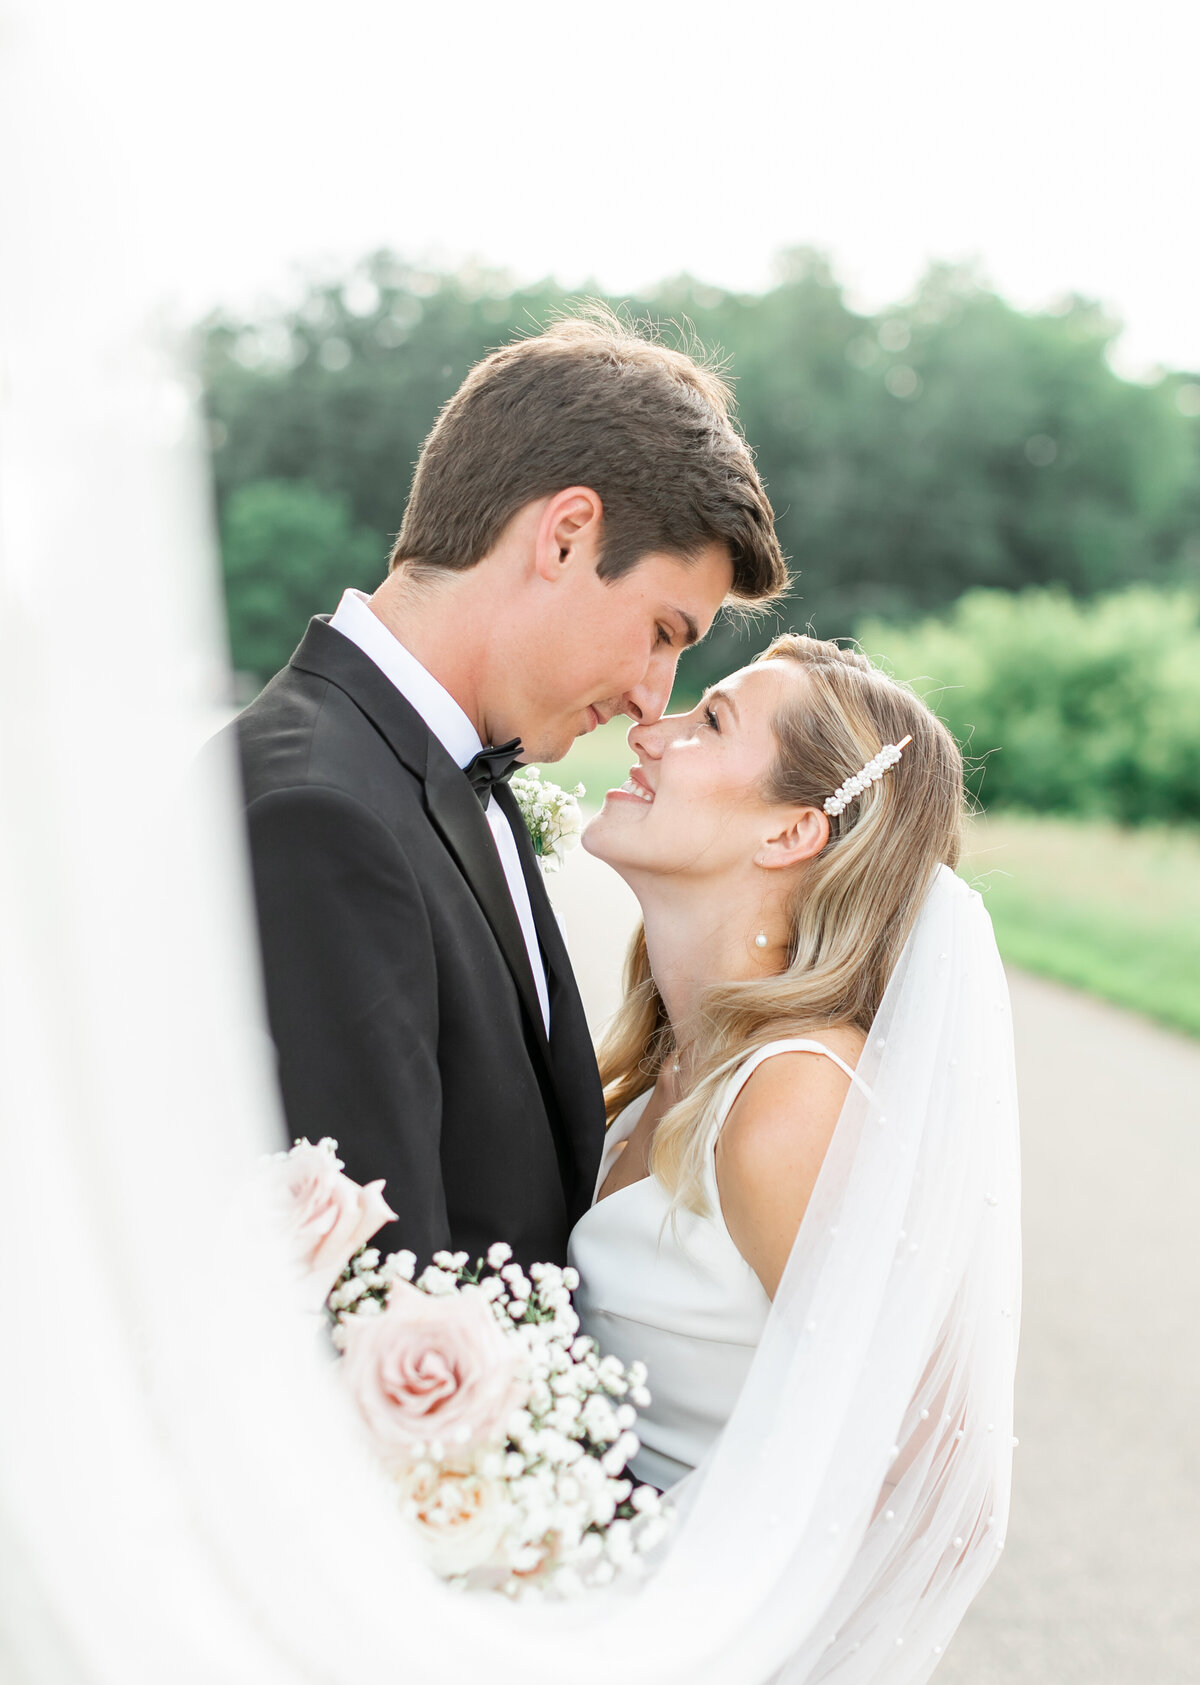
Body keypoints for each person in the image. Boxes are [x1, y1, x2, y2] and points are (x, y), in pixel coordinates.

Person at [229, 312, 788, 1272]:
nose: (653, 701)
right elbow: (376, 1294)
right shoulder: (320, 817)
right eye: (662, 632)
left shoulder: (433, 769)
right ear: (567, 536)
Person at [571, 629, 967, 1483]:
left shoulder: (794, 1099)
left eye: (710, 722)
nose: (647, 731)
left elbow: (922, 1469)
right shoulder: (668, 1066)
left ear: (791, 833)